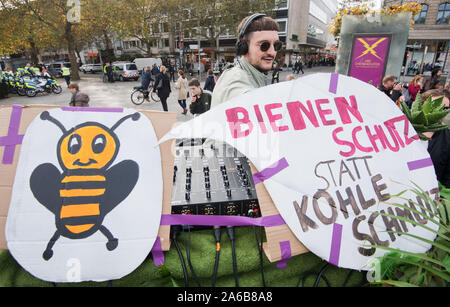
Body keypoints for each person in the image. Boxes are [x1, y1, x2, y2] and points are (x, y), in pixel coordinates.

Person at [211, 13, 280, 108]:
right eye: (264, 45)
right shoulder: (235, 79)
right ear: (244, 48)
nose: (272, 52)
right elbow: (245, 98)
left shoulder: (253, 74)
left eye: (277, 45)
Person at [425, 89, 450, 193]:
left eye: (445, 108)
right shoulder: (404, 132)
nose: (440, 112)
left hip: (430, 199)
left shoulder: (447, 138)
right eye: (435, 106)